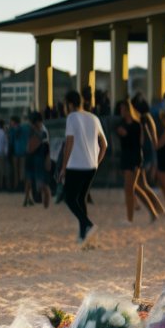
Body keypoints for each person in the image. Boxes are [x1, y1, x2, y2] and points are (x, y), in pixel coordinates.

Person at [57, 89, 109, 245]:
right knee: (80, 198)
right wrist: (96, 162)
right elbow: (104, 145)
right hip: (91, 166)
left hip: (76, 165)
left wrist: (63, 167)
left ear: (70, 104)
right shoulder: (94, 117)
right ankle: (83, 236)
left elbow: (70, 142)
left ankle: (88, 225)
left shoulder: (72, 117)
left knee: (69, 198)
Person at [114, 100, 164, 224]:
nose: (121, 111)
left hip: (135, 158)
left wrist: (127, 134)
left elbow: (140, 143)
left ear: (128, 110)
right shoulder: (121, 123)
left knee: (130, 188)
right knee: (137, 187)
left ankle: (130, 219)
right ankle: (155, 211)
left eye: (123, 109)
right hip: (125, 158)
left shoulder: (137, 125)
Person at [25, 112, 52, 209]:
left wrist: (47, 159)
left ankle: (46, 205)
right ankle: (44, 204)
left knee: (42, 184)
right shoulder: (37, 130)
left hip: (40, 158)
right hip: (37, 158)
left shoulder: (42, 131)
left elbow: (45, 146)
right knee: (40, 183)